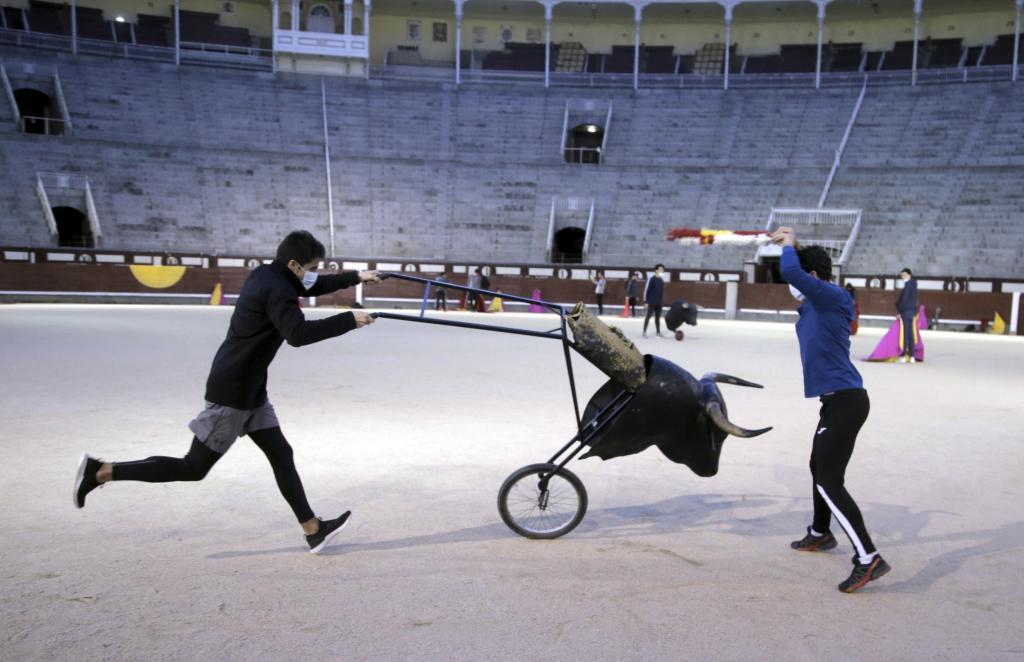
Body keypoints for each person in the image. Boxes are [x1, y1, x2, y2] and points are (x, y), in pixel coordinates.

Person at [73, 230, 380, 554]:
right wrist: (350, 319)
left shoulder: (270, 273)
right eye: (310, 266)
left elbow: (313, 284)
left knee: (281, 454)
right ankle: (102, 471)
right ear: (293, 264)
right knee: (193, 467)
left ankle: (312, 529)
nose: (313, 273)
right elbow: (298, 334)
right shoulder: (277, 289)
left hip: (251, 390)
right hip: (233, 393)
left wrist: (358, 276)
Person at [772, 226, 890, 593]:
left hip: (847, 402)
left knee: (829, 480)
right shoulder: (812, 306)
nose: (789, 286)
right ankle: (821, 533)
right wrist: (797, 248)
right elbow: (797, 277)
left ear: (814, 278)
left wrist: (790, 245)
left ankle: (869, 558)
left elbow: (792, 273)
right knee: (816, 466)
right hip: (835, 401)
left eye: (800, 280)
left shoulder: (831, 297)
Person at [895, 268, 918, 363]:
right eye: (902, 275)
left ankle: (904, 355)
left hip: (905, 311)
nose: (902, 277)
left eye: (904, 275)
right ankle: (912, 356)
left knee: (905, 333)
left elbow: (904, 300)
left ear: (909, 275)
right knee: (911, 333)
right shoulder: (914, 285)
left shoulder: (908, 285)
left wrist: (899, 312)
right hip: (911, 311)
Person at [642, 264, 666, 338]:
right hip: (651, 301)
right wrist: (645, 301)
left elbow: (661, 292)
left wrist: (661, 302)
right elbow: (646, 290)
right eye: (661, 269)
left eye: (663, 269)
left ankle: (658, 332)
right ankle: (644, 332)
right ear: (656, 270)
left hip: (659, 302)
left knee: (657, 318)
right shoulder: (651, 279)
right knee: (648, 316)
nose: (662, 271)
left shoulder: (661, 280)